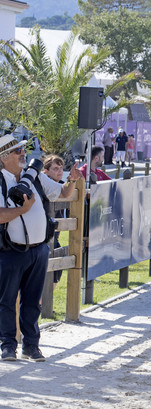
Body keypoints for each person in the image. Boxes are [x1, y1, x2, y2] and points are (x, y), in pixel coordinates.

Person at [0, 135, 82, 362]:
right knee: (6, 301)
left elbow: (63, 194)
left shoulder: (34, 177)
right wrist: (22, 210)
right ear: (4, 157)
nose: (23, 154)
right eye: (17, 151)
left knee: (33, 301)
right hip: (10, 252)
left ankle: (31, 346)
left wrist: (72, 180)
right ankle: (8, 346)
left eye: (22, 149)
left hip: (39, 250)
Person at [42, 155, 83, 287]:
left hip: (55, 232)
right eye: (55, 168)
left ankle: (43, 305)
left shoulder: (62, 185)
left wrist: (73, 180)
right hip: (43, 233)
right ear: (45, 172)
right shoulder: (43, 184)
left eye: (61, 168)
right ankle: (41, 304)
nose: (59, 171)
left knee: (56, 268)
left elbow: (67, 192)